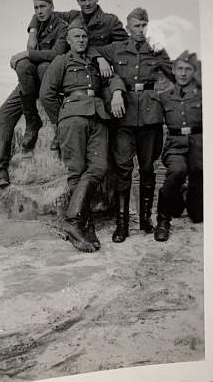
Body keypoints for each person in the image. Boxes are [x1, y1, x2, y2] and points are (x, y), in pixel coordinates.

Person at [40, 18, 126, 252]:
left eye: (84, 36)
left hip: (98, 117)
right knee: (77, 172)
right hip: (73, 118)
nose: (81, 40)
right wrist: (63, 119)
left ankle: (72, 220)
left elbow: (114, 77)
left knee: (98, 167)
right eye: (76, 36)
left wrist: (117, 91)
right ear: (68, 40)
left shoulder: (96, 61)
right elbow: (47, 93)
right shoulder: (61, 61)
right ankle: (85, 228)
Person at [89, 7, 173, 243]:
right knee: (123, 169)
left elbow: (175, 74)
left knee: (147, 168)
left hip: (150, 115)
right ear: (127, 28)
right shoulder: (117, 48)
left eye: (144, 25)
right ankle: (122, 224)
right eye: (136, 26)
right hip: (123, 115)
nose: (141, 30)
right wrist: (100, 59)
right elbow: (91, 48)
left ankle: (146, 219)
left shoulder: (157, 48)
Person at [0, 0, 68, 192]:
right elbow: (35, 20)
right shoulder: (37, 22)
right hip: (28, 82)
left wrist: (27, 52)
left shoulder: (61, 26)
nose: (39, 11)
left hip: (46, 82)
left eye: (43, 6)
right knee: (3, 114)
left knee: (24, 61)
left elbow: (57, 53)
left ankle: (32, 121)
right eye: (36, 8)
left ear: (52, 6)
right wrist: (32, 30)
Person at [27, 0, 129, 80]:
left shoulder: (110, 21)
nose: (87, 3)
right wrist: (33, 32)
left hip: (98, 71)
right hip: (73, 68)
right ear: (77, 1)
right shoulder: (72, 16)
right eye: (83, 0)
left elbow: (126, 44)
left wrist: (102, 57)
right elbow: (45, 14)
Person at [154, 51, 203, 241]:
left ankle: (182, 195)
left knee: (197, 216)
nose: (183, 73)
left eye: (188, 69)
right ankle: (162, 221)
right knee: (177, 171)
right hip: (175, 146)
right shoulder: (164, 96)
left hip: (198, 147)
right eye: (180, 69)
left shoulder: (203, 95)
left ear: (194, 72)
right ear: (173, 71)